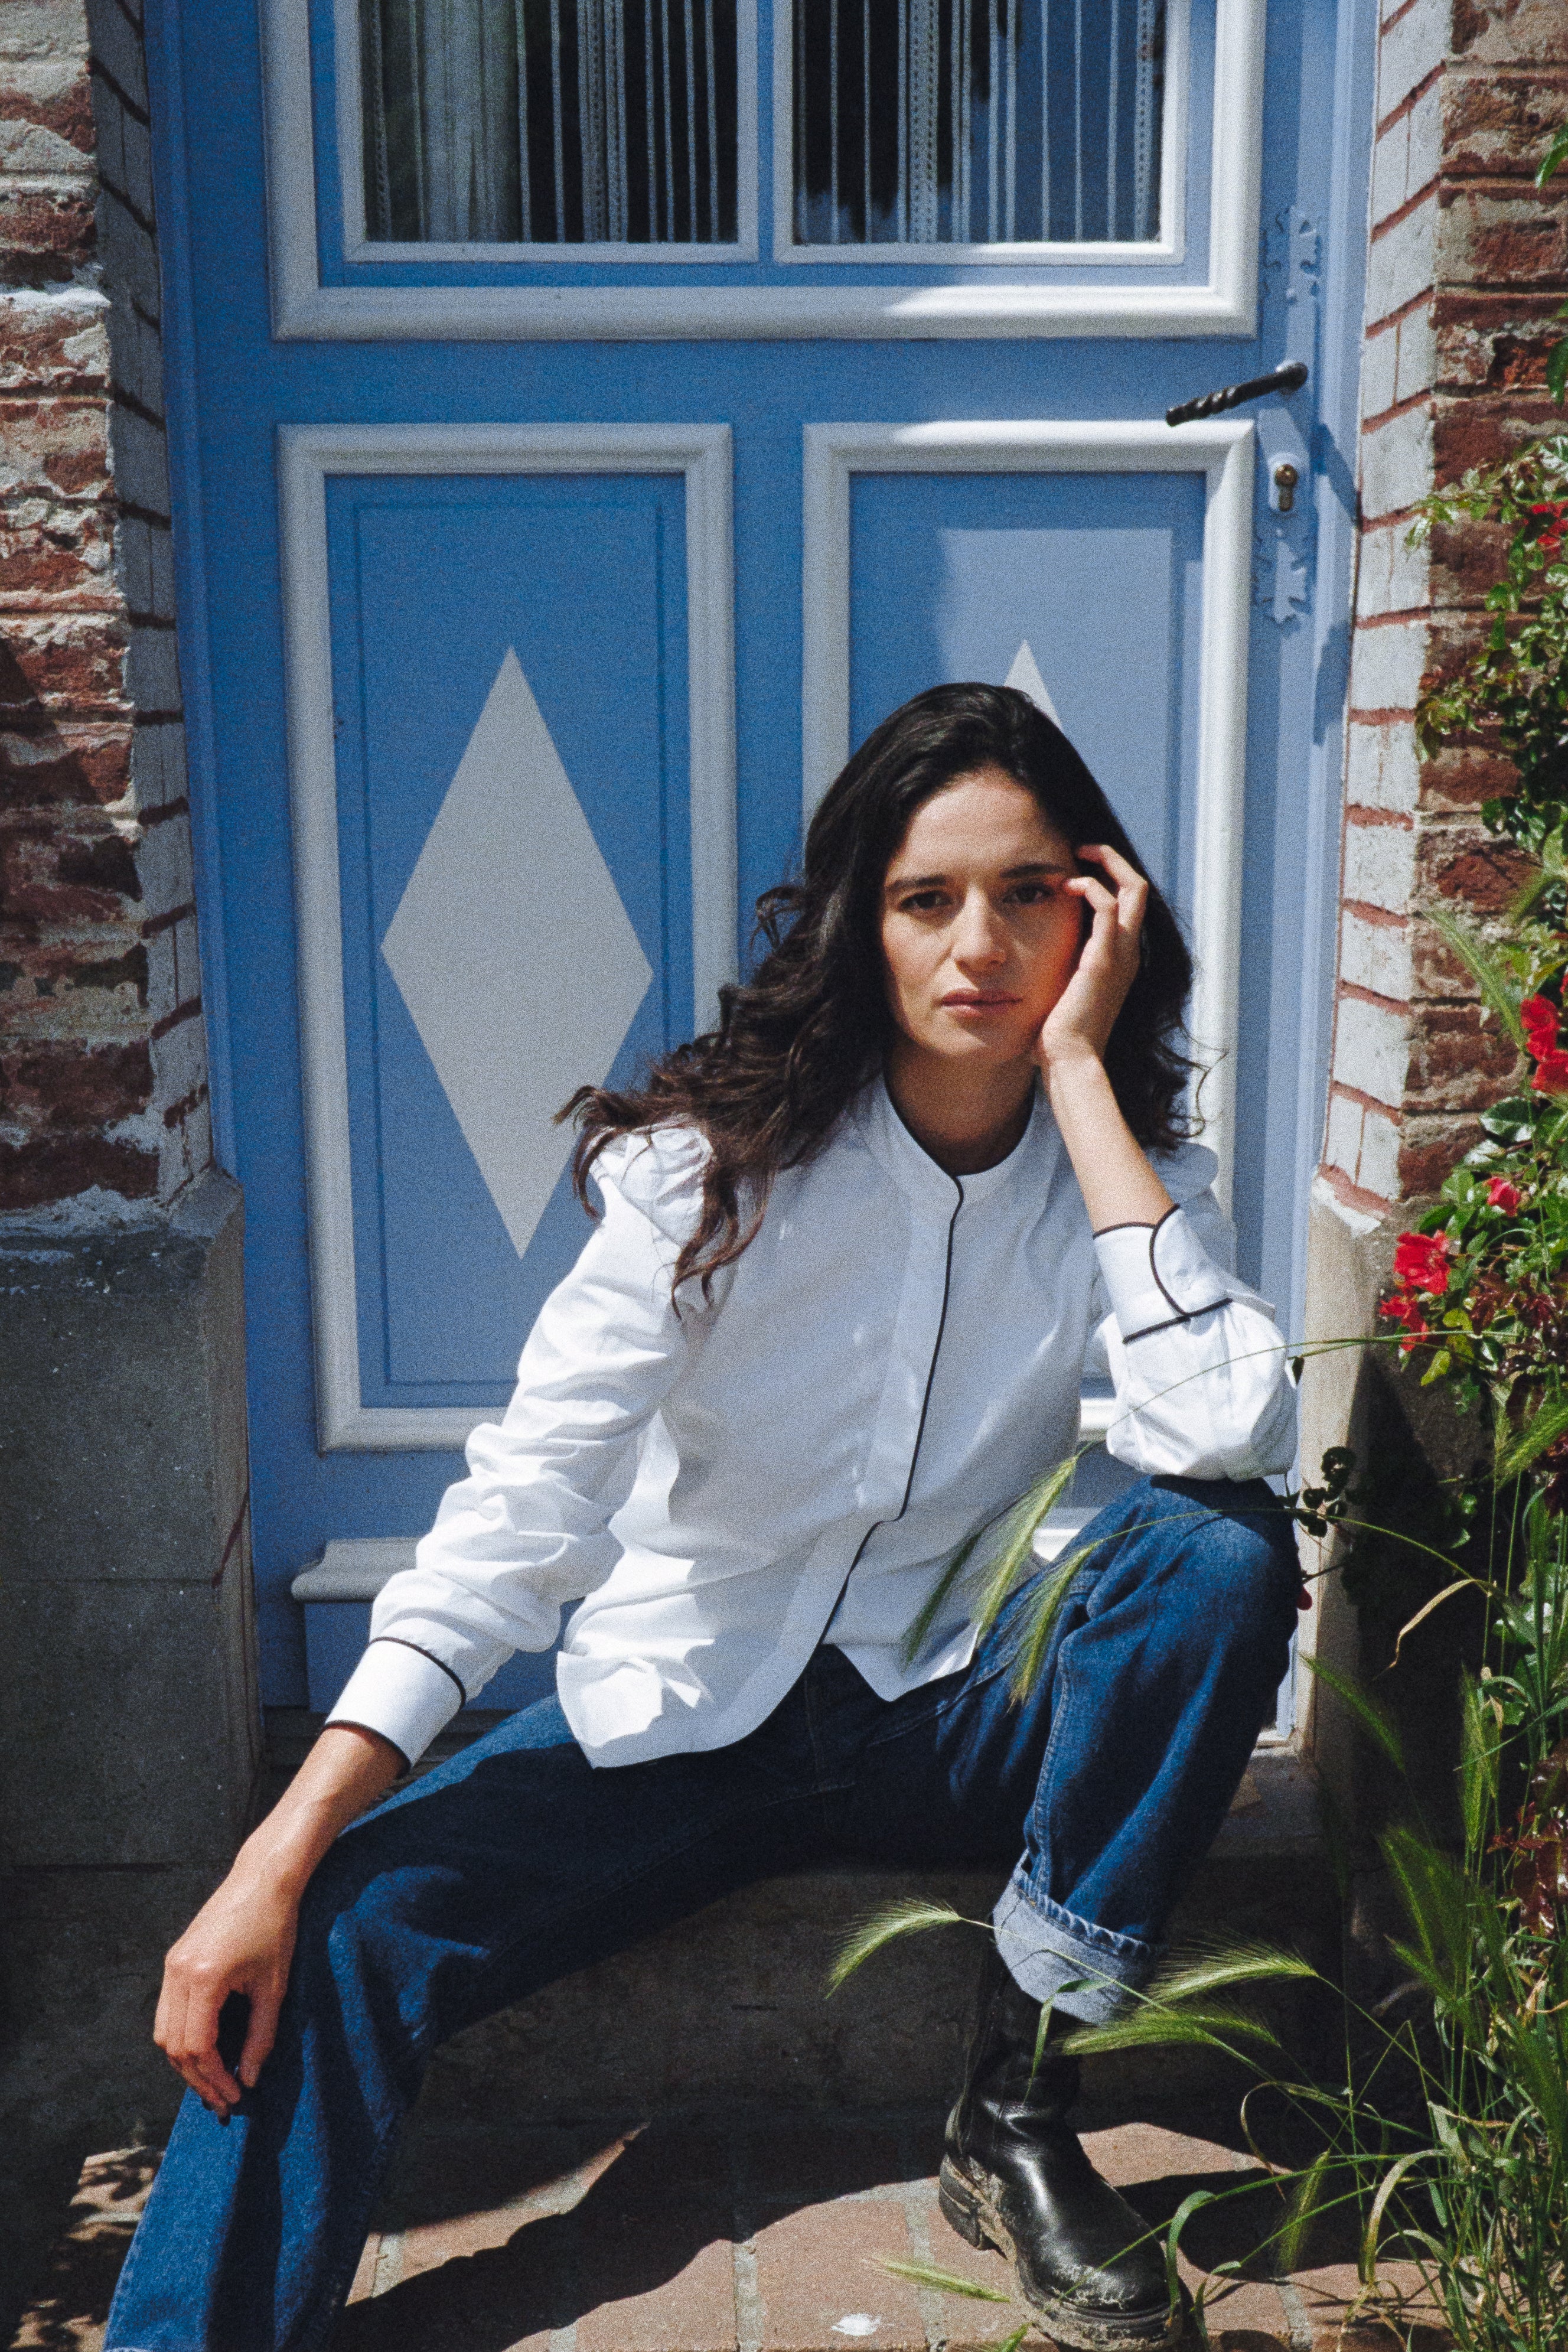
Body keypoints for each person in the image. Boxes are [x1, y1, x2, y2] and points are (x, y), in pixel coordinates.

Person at [105, 683, 1300, 2352]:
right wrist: (273, 1854)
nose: (980, 945)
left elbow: (1231, 1432)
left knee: (1219, 1559)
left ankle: (1017, 2113)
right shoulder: (711, 1170)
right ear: (862, 923)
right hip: (692, 1715)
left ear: (1099, 918)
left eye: (1029, 893)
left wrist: (1084, 1078)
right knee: (343, 1927)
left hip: (950, 1705)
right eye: (926, 898)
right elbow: (521, 1511)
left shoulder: (1124, 1171)